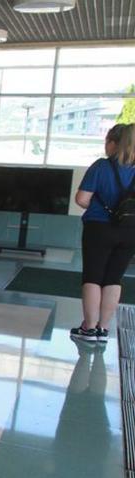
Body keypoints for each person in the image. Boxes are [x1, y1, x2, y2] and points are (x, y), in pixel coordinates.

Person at [72, 123, 135, 344]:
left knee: (93, 277)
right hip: (130, 231)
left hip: (99, 227)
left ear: (113, 143)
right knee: (114, 279)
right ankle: (103, 329)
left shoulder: (101, 166)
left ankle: (88, 329)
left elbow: (81, 199)